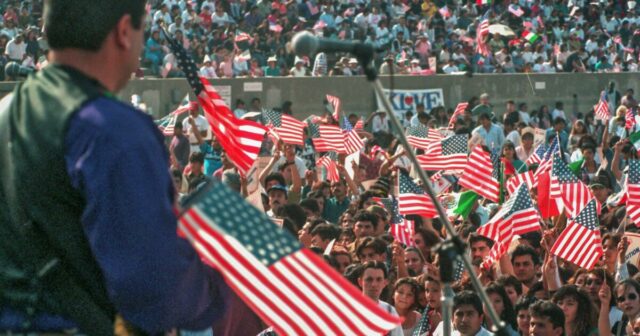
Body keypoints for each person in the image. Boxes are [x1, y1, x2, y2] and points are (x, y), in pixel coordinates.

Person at [0, 0, 226, 333]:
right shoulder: (114, 130)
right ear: (123, 31)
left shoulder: (6, 112)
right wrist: (217, 289)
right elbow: (154, 286)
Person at [358, 261, 403, 336]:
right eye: (369, 279)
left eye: (378, 280)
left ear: (385, 282)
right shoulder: (348, 308)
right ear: (360, 282)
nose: (374, 284)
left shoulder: (390, 311)